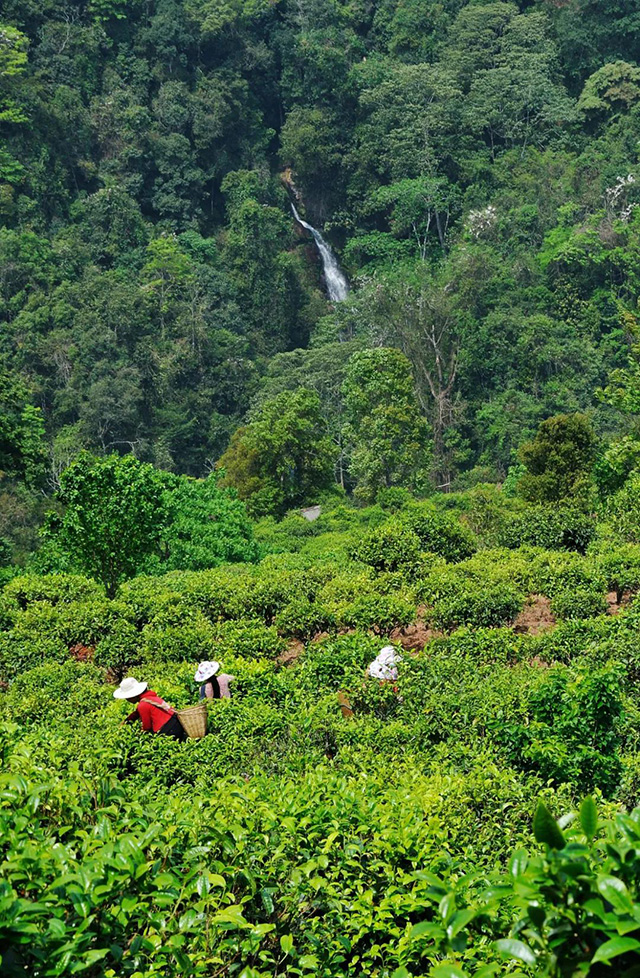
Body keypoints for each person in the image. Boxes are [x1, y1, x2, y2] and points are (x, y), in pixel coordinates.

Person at [113, 676, 186, 740]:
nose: (127, 699)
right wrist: (127, 721)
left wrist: (139, 736)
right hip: (177, 723)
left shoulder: (143, 704)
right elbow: (136, 713)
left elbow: (147, 727)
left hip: (169, 730)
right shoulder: (150, 697)